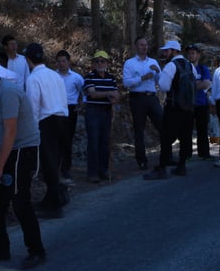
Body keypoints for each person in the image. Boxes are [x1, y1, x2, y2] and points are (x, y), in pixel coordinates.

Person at [0, 58, 48, 270]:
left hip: (24, 147)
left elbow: (11, 132)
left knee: (19, 200)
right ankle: (0, 248)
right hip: (3, 146)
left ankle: (36, 250)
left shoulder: (8, 93)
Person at [24, 42, 69, 216]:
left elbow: (33, 106)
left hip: (46, 121)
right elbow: (63, 97)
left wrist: (32, 130)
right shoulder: (55, 75)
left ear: (29, 60)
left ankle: (54, 206)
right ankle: (51, 199)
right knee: (55, 160)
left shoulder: (33, 79)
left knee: (48, 162)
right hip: (61, 118)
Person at [144, 40, 194, 180]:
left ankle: (161, 168)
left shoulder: (171, 65)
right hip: (189, 108)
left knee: (166, 137)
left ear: (173, 51)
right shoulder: (190, 65)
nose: (165, 53)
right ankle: (182, 166)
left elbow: (164, 86)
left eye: (167, 51)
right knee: (185, 138)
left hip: (173, 107)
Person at [123, 36, 164, 170]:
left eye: (146, 45)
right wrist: (142, 78)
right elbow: (126, 83)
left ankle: (166, 156)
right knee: (139, 130)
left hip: (152, 97)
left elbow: (161, 81)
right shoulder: (129, 63)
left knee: (162, 126)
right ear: (136, 47)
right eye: (141, 45)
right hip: (137, 98)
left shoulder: (153, 62)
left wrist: (158, 71)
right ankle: (142, 160)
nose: (144, 47)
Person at [83, 50, 119, 182]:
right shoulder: (89, 77)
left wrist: (113, 98)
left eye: (102, 61)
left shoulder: (111, 77)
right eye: (97, 61)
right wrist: (109, 93)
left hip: (107, 110)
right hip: (93, 111)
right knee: (93, 142)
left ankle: (104, 170)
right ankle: (92, 173)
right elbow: (93, 94)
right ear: (93, 63)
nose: (99, 63)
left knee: (105, 141)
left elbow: (117, 95)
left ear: (107, 62)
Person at [55, 50, 86, 181]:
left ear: (68, 62)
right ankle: (55, 167)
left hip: (70, 108)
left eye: (63, 61)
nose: (61, 64)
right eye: (59, 61)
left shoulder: (76, 77)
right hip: (56, 109)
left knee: (67, 140)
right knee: (55, 140)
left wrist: (81, 105)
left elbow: (84, 92)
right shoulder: (53, 76)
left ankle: (66, 168)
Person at [186, 44, 213, 160]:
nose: (191, 55)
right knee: (186, 131)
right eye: (189, 53)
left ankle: (204, 154)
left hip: (202, 103)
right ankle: (187, 155)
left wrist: (191, 85)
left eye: (193, 53)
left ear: (198, 55)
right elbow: (183, 86)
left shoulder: (203, 68)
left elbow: (206, 84)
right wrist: (198, 84)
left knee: (203, 130)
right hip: (187, 104)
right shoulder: (185, 68)